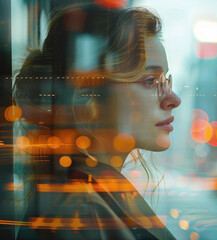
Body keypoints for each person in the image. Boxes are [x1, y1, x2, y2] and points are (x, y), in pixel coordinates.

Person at [14, 3, 181, 240]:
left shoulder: (91, 195)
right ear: (91, 94)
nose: (173, 99)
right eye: (150, 80)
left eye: (167, 80)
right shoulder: (83, 212)